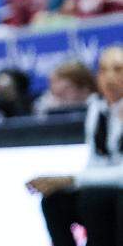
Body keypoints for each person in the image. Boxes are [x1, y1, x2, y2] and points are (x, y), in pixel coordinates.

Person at [29, 45, 123, 246]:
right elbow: (96, 162)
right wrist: (66, 182)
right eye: (103, 70)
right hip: (105, 192)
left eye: (117, 69)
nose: (109, 77)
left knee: (96, 198)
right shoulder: (97, 108)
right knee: (55, 200)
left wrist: (72, 179)